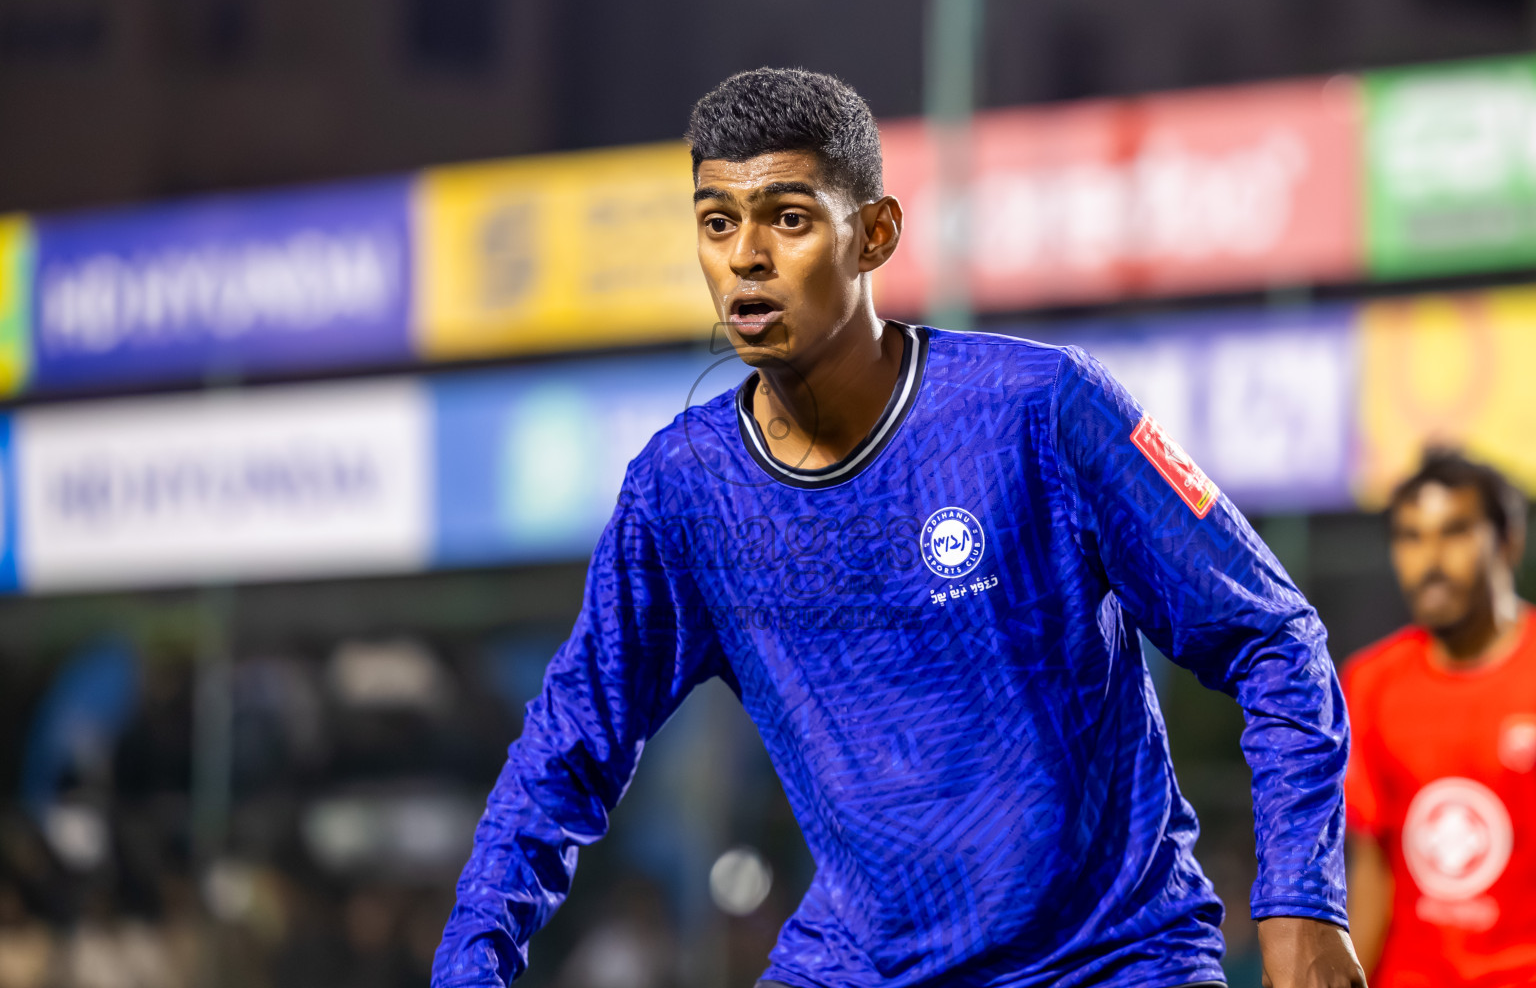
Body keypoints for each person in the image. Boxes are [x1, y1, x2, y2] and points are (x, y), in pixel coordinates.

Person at [433, 67, 1364, 988]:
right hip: (856, 967)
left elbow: (1274, 639)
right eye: (718, 223)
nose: (746, 255)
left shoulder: (1041, 408)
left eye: (788, 219)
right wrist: (469, 965)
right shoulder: (683, 490)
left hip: (1110, 961)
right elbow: (563, 752)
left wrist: (1302, 900)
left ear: (874, 234)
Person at [1344, 449, 1535, 986]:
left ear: (1508, 541)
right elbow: (1372, 871)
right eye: (1410, 537)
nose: (1430, 560)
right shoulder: (1370, 682)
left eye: (1454, 532)